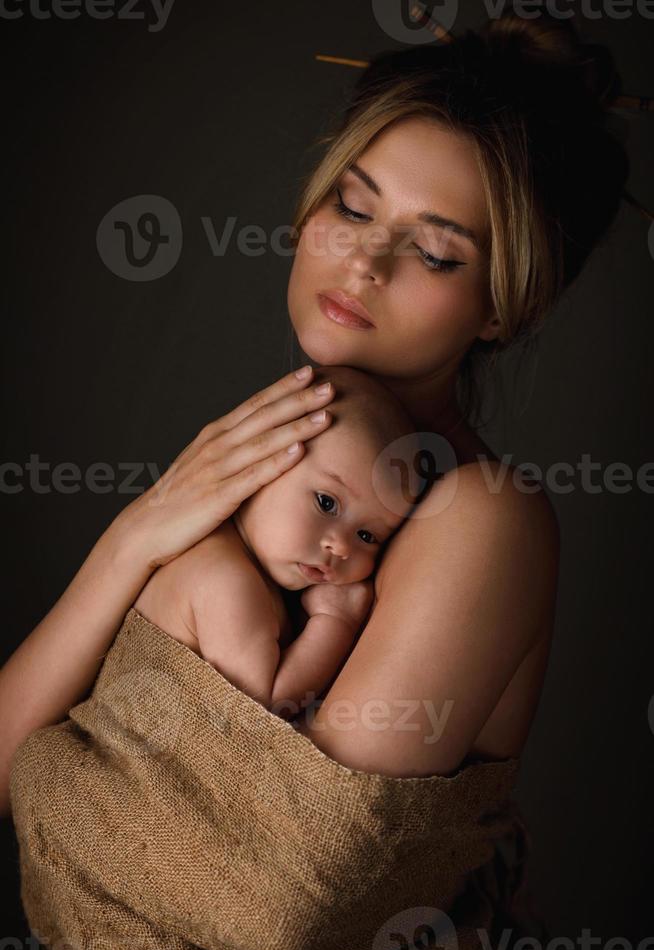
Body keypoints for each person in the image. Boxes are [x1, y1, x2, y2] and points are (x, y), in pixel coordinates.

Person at [0, 10, 627, 827]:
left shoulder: (480, 519)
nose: (364, 263)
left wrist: (62, 786)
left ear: (503, 309)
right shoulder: (267, 454)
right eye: (354, 206)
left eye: (437, 254)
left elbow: (287, 882)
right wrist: (137, 532)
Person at [131, 365, 418, 715]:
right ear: (261, 465)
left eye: (367, 535)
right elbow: (261, 710)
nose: (342, 547)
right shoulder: (224, 580)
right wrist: (335, 623)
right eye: (326, 503)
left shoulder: (239, 557)